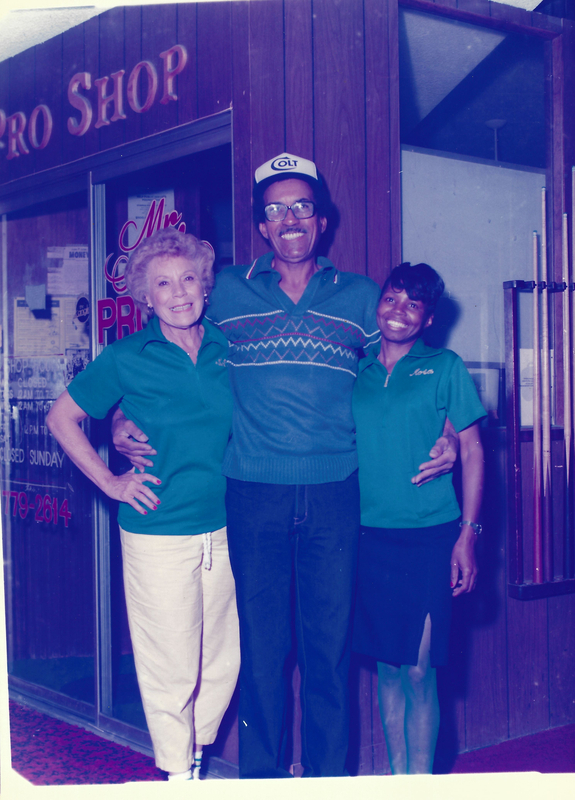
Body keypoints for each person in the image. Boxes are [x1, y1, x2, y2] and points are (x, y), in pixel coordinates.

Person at [113, 153, 458, 778]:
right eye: (275, 210)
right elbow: (172, 349)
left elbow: (404, 374)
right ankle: (264, 784)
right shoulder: (224, 292)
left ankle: (327, 785)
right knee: (262, 655)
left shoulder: (359, 296)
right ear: (262, 227)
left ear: (321, 221)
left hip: (335, 496)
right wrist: (117, 419)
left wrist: (451, 435)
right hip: (252, 495)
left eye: (303, 206)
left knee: (328, 656)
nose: (290, 218)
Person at [46, 228, 240, 782]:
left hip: (230, 527)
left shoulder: (230, 348)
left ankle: (196, 756)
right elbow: (62, 419)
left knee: (223, 660)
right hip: (159, 531)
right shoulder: (127, 357)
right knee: (170, 662)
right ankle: (178, 777)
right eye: (163, 284)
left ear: (204, 285)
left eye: (188, 280)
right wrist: (109, 481)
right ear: (145, 297)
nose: (179, 293)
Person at [352, 262, 485, 774]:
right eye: (392, 299)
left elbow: (472, 452)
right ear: (379, 302)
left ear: (428, 318)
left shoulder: (445, 367)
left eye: (413, 305)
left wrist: (467, 537)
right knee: (387, 670)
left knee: (418, 671)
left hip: (431, 537)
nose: (399, 312)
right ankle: (396, 781)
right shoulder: (356, 369)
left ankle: (422, 784)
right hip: (368, 538)